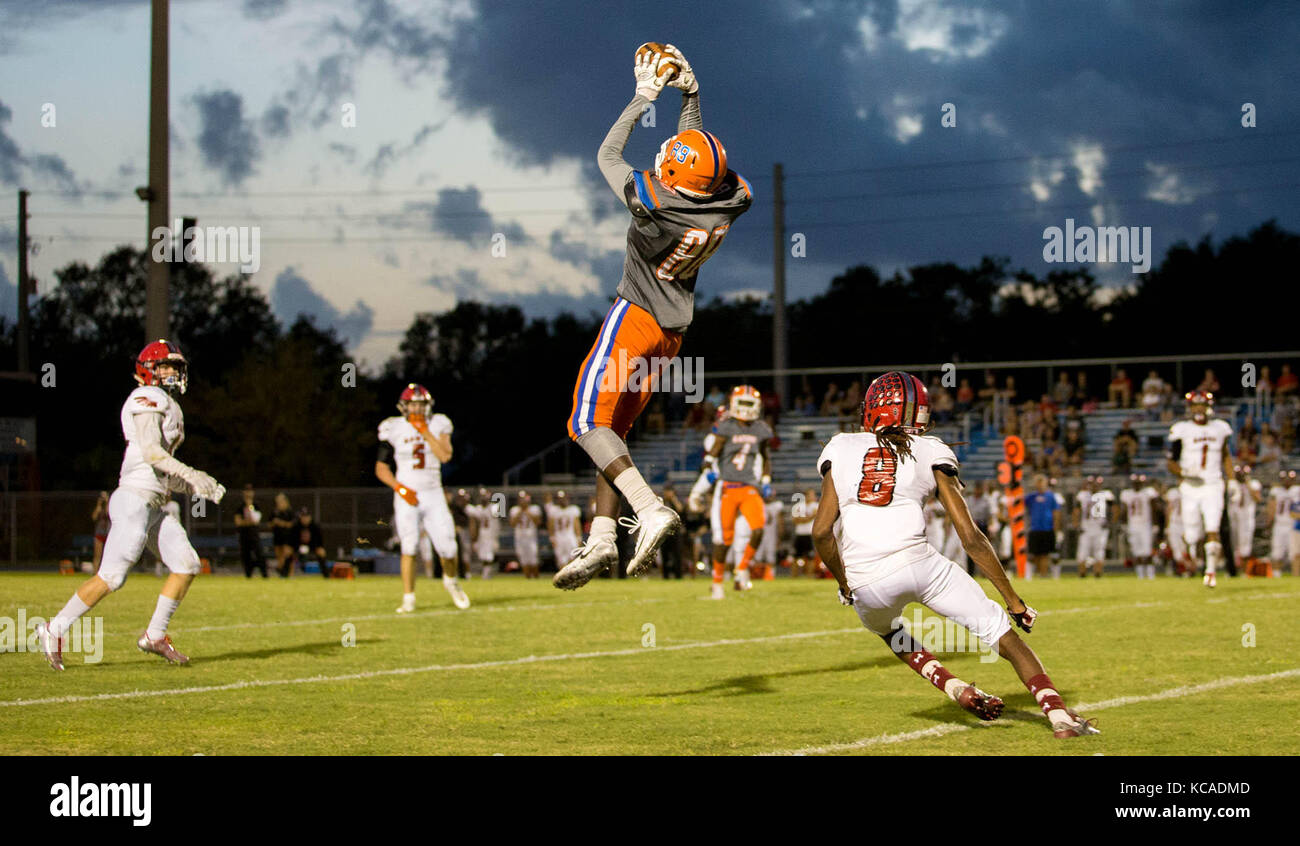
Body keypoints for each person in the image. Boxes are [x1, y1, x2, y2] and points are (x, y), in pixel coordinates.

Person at [555, 44, 752, 591]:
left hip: (635, 317)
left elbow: (607, 155)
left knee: (585, 422)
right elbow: (702, 161)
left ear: (670, 174)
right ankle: (600, 537)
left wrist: (644, 97)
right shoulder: (728, 201)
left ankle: (648, 508)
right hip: (672, 336)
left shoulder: (652, 203)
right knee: (613, 430)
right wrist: (691, 94)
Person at [813, 371, 1098, 738]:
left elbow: (821, 531)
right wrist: (1014, 601)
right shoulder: (930, 448)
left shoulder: (840, 445)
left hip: (867, 580)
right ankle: (1059, 716)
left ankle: (951, 685)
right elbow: (971, 537)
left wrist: (845, 583)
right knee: (1004, 638)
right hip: (921, 564)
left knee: (890, 632)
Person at [35, 340, 225, 670]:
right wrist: (192, 473)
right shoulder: (145, 397)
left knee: (187, 564)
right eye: (165, 366)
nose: (172, 373)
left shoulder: (168, 404)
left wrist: (196, 485)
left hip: (157, 503)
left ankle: (154, 635)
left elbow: (163, 472)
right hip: (135, 499)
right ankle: (53, 629)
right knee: (113, 576)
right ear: (147, 370)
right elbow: (152, 452)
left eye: (174, 367)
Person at [375, 383, 469, 612]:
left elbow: (445, 456)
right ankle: (409, 598)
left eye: (420, 403)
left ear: (428, 405)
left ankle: (451, 581)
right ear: (404, 406)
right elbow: (380, 468)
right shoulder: (393, 428)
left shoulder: (439, 423)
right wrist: (401, 489)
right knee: (409, 546)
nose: (416, 407)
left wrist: (424, 431)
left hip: (433, 493)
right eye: (413, 403)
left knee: (448, 548)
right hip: (407, 494)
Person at [703, 386, 773, 598]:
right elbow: (712, 452)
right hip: (728, 488)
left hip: (749, 486)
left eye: (749, 404)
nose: (745, 408)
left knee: (759, 529)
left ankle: (742, 568)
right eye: (742, 403)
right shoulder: (726, 427)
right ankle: (717, 582)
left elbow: (766, 456)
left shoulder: (761, 429)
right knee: (724, 540)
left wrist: (766, 479)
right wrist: (707, 469)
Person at [1167, 391, 1236, 588]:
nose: (1198, 410)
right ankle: (1192, 559)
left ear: (1208, 407)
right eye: (1195, 406)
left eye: (1202, 405)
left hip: (1213, 484)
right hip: (1190, 487)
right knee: (1191, 535)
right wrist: (1185, 472)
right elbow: (1170, 463)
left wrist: (1232, 481)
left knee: (1212, 528)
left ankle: (1211, 572)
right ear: (1190, 408)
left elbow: (1225, 456)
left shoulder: (1220, 428)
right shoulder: (1182, 430)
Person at [1120, 474, 1160, 579]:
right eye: (1135, 482)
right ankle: (1140, 575)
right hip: (1133, 525)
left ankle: (1151, 574)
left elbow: (1154, 509)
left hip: (1145, 525)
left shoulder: (1148, 492)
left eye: (1138, 482)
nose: (1136, 484)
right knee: (1136, 551)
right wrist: (1123, 524)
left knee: (1147, 551)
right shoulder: (1127, 494)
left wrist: (1155, 524)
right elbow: (1124, 511)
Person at [1075, 475, 1115, 578]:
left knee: (1099, 552)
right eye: (1092, 484)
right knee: (1082, 553)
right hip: (1086, 527)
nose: (1094, 486)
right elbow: (1076, 511)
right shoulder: (1082, 495)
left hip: (1099, 527)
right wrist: (1077, 525)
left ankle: (1098, 574)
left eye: (1096, 484)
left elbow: (1115, 509)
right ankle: (1082, 575)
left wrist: (1110, 522)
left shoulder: (1106, 495)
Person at [1024, 475, 1063, 579]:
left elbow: (1056, 512)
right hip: (1035, 528)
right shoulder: (1031, 497)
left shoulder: (1051, 497)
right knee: (1035, 554)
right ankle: (1037, 573)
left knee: (1045, 554)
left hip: (1047, 528)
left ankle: (1044, 574)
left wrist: (1056, 527)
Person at [1227, 466, 1262, 570]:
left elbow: (1257, 498)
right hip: (1233, 517)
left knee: (1245, 546)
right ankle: (1233, 570)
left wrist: (1248, 484)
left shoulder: (1253, 484)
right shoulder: (1231, 484)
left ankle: (1244, 570)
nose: (1241, 477)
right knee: (1233, 544)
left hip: (1246, 518)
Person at [465, 488, 501, 579]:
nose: (483, 497)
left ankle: (486, 575)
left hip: (491, 535)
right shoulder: (478, 508)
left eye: (485, 495)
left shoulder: (493, 507)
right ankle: (486, 574)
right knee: (483, 556)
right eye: (482, 495)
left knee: (489, 556)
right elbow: (470, 513)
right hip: (482, 536)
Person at [234, 484, 266, 579]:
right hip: (243, 534)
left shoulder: (256, 505)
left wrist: (247, 521)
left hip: (254, 534)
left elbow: (256, 520)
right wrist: (248, 522)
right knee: (245, 555)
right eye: (247, 491)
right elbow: (238, 522)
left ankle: (264, 574)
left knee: (259, 554)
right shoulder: (240, 506)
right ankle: (248, 574)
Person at [546, 490, 582, 571]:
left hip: (570, 537)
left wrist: (579, 538)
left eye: (563, 498)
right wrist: (552, 538)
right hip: (559, 538)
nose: (562, 500)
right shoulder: (554, 510)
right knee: (561, 560)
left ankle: (571, 577)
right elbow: (550, 526)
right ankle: (563, 578)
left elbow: (577, 525)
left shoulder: (573, 509)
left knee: (572, 559)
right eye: (560, 498)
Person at [510, 491, 544, 579]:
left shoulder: (534, 508)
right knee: (523, 560)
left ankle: (536, 578)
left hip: (531, 538)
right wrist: (521, 511)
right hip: (520, 538)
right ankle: (528, 578)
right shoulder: (515, 510)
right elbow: (512, 523)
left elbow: (538, 522)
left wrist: (527, 511)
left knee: (533, 560)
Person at [293, 508, 330, 579]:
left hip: (312, 546)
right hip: (298, 546)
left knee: (321, 552)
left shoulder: (315, 526)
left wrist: (314, 547)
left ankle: (326, 575)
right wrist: (297, 547)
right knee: (288, 551)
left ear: (310, 517)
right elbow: (292, 540)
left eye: (306, 517)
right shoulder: (296, 526)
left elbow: (320, 542)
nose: (305, 519)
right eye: (303, 517)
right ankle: (284, 575)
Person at [659, 484, 686, 579]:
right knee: (664, 555)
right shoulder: (662, 501)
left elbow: (681, 509)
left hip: (676, 532)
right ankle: (665, 576)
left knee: (677, 554)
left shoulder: (677, 501)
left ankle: (678, 575)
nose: (667, 493)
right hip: (664, 532)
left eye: (669, 491)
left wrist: (674, 499)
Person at [791, 487, 819, 576]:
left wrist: (802, 519)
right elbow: (795, 520)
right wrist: (809, 518)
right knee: (796, 556)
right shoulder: (798, 506)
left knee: (810, 557)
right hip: (800, 533)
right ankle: (794, 576)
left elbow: (813, 516)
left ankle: (809, 575)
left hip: (810, 534)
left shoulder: (816, 505)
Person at [270, 493, 295, 577]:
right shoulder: (275, 512)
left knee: (287, 555)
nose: (279, 503)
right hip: (277, 536)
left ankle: (290, 573)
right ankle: (282, 573)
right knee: (279, 556)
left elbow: (292, 524)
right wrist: (274, 523)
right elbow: (269, 524)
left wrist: (281, 523)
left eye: (280, 501)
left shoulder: (290, 512)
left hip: (288, 537)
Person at [90, 491, 110, 572]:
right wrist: (98, 505)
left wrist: (107, 503)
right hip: (99, 534)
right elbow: (94, 518)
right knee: (97, 556)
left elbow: (108, 514)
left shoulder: (110, 507)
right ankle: (95, 573)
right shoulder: (98, 508)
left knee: (108, 556)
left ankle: (107, 573)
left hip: (108, 534)